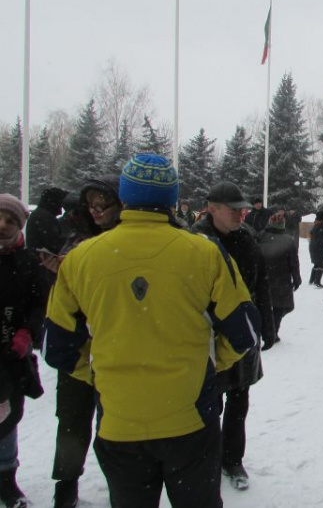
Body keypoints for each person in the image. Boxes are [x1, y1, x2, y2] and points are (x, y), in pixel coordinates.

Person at [44, 154, 261, 508]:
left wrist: (99, 373)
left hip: (119, 421)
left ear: (124, 198)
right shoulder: (204, 253)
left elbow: (57, 347)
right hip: (189, 418)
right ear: (172, 200)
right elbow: (245, 333)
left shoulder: (82, 258)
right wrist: (207, 366)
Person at [191, 180, 275, 490]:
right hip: (208, 339)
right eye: (234, 210)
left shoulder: (248, 239)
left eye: (243, 210)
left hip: (244, 336)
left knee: (240, 400)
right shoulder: (194, 242)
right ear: (212, 209)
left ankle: (232, 459)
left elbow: (260, 284)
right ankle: (207, 460)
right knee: (209, 405)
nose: (241, 215)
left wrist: (267, 326)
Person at [48, 175, 123, 508]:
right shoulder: (76, 241)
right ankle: (66, 488)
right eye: (91, 205)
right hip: (78, 357)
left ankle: (123, 488)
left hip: (115, 357)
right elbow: (61, 299)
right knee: (72, 427)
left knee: (115, 433)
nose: (96, 211)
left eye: (102, 204)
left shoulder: (126, 244)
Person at [0, 194, 46, 508]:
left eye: (11, 220)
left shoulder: (29, 262)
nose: (3, 225)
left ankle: (6, 480)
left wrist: (26, 333)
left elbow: (39, 304)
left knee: (7, 418)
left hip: (9, 358)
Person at [258, 209, 302, 342]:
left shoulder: (260, 236)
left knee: (263, 304)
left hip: (263, 277)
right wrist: (297, 278)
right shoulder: (288, 240)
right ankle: (273, 331)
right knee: (279, 307)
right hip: (282, 278)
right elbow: (294, 262)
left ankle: (264, 328)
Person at [25, 187, 69, 256]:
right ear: (55, 203)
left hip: (38, 258)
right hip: (45, 261)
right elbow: (54, 244)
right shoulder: (45, 218)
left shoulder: (39, 214)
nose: (61, 210)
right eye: (61, 204)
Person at [308, 211, 323, 288]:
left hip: (313, 246)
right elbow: (321, 238)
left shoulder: (316, 225)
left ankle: (311, 280)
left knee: (316, 263)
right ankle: (317, 281)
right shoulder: (321, 226)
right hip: (318, 247)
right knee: (321, 263)